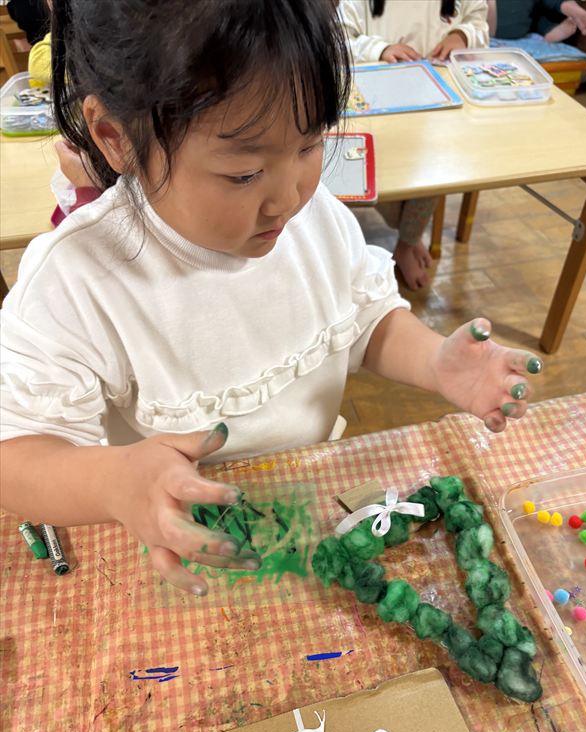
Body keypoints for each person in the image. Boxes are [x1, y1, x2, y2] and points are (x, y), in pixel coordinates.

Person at [0, 0, 541, 597]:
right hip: (174, 545)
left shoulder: (314, 219)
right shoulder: (78, 278)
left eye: (309, 145)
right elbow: (16, 457)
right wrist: (113, 481)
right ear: (117, 138)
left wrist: (435, 361)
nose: (290, 198)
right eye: (243, 174)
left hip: (308, 511)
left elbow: (365, 321)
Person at [339, 0, 489, 290]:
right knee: (384, 184)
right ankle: (409, 230)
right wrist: (380, 49)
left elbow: (479, 22)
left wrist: (462, 35)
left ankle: (407, 242)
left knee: (433, 169)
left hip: (438, 106)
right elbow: (337, 39)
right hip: (374, 108)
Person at [488, 0, 586, 43]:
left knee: (534, 17)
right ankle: (563, 4)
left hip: (503, 27)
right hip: (502, 16)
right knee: (534, 13)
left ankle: (549, 29)